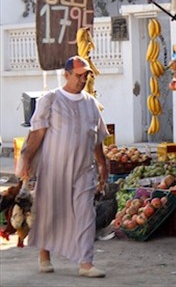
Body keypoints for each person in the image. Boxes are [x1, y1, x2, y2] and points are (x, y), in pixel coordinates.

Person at [20, 56, 109, 278]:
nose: (82, 80)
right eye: (78, 75)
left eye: (86, 75)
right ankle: (44, 256)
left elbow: (97, 138)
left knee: (86, 214)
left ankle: (86, 263)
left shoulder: (91, 104)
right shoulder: (50, 100)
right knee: (50, 213)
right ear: (66, 75)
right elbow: (37, 135)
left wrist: (102, 165)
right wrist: (26, 162)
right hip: (54, 169)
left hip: (83, 170)